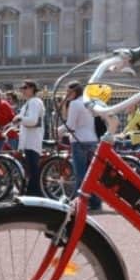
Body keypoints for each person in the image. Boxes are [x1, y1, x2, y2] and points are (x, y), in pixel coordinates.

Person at [62, 81, 102, 211]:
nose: (66, 95)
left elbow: (71, 125)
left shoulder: (74, 103)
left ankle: (81, 202)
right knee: (91, 174)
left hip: (79, 141)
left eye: (68, 92)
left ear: (74, 92)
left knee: (80, 173)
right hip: (92, 139)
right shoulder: (87, 102)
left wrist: (58, 131)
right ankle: (96, 201)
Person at [14, 79, 45, 196]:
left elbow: (32, 120)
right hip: (28, 140)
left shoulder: (35, 102)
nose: (23, 90)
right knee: (31, 168)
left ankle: (34, 193)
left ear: (32, 88)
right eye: (22, 88)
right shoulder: (29, 103)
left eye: (25, 88)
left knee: (33, 168)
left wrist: (20, 119)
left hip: (32, 139)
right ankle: (32, 192)